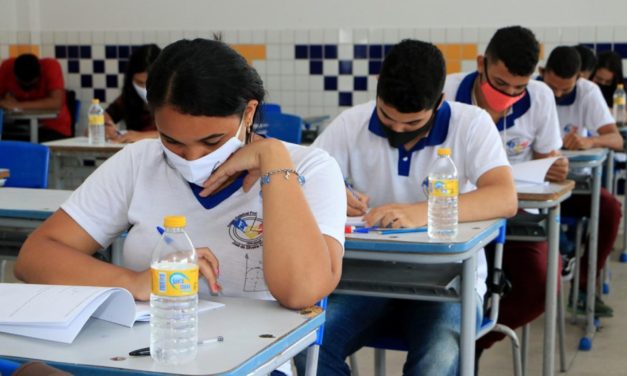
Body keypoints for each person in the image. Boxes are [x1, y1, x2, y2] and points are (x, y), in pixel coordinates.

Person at [14, 39, 346, 375]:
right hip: (142, 354)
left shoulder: (309, 168)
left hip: (247, 365)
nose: (192, 157)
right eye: (171, 140)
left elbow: (300, 292)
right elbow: (35, 256)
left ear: (248, 113)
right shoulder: (139, 161)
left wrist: (274, 161)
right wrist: (137, 282)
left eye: (212, 141)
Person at [295, 39, 517, 376]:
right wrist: (333, 192)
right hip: (365, 281)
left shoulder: (471, 124)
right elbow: (299, 185)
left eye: (412, 123)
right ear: (378, 91)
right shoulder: (350, 124)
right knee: (307, 347)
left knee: (439, 360)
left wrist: (421, 212)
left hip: (450, 282)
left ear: (439, 102)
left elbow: (504, 197)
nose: (397, 129)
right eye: (387, 116)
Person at [443, 25, 568, 365]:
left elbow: (548, 157)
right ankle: (454, 345)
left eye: (519, 87)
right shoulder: (449, 92)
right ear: (482, 63)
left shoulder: (539, 97)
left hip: (517, 214)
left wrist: (554, 166)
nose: (509, 94)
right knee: (442, 300)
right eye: (500, 84)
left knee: (542, 282)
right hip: (460, 214)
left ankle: (474, 343)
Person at [540, 45, 623, 317]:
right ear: (543, 74)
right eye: (553, 87)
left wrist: (590, 140)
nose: (559, 95)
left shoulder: (588, 92)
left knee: (610, 208)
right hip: (539, 188)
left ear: (579, 78)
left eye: (566, 89)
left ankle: (584, 286)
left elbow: (616, 139)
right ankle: (562, 254)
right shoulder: (533, 92)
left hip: (576, 187)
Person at [0, 53, 71, 141]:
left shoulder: (51, 66)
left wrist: (17, 105)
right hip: (18, 126)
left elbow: (56, 102)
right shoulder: (7, 67)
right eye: (22, 85)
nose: (27, 89)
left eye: (32, 85)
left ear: (40, 72)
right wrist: (4, 100)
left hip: (52, 127)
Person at [104, 44, 161, 143]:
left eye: (149, 83)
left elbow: (182, 133)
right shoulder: (129, 97)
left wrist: (142, 136)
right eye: (139, 83)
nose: (144, 88)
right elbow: (103, 118)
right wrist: (105, 128)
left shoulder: (174, 98)